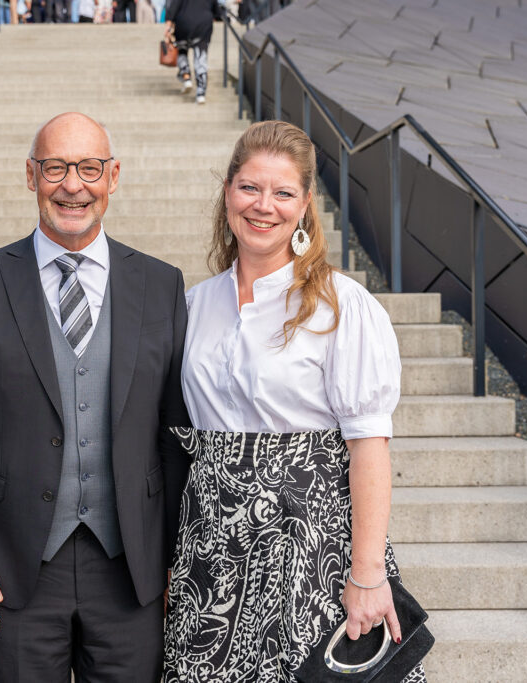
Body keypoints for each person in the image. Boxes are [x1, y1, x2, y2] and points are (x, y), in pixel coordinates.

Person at [0, 112, 190, 682]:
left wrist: (172, 555)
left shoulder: (162, 284)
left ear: (113, 175)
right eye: (55, 168)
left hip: (131, 569)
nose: (73, 185)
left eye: (89, 168)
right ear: (31, 175)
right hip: (15, 563)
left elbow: (175, 435)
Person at [163, 120, 425, 682]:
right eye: (250, 188)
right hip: (211, 551)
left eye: (283, 193)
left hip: (312, 546)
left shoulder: (341, 305)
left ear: (305, 205)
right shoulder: (193, 304)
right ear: (228, 191)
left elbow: (368, 446)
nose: (264, 206)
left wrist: (368, 573)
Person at [164, 0, 221, 104]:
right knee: (201, 57)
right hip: (203, 25)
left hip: (183, 23)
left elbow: (173, 6)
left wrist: (168, 26)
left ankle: (186, 77)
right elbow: (217, 11)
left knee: (181, 50)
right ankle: (201, 93)